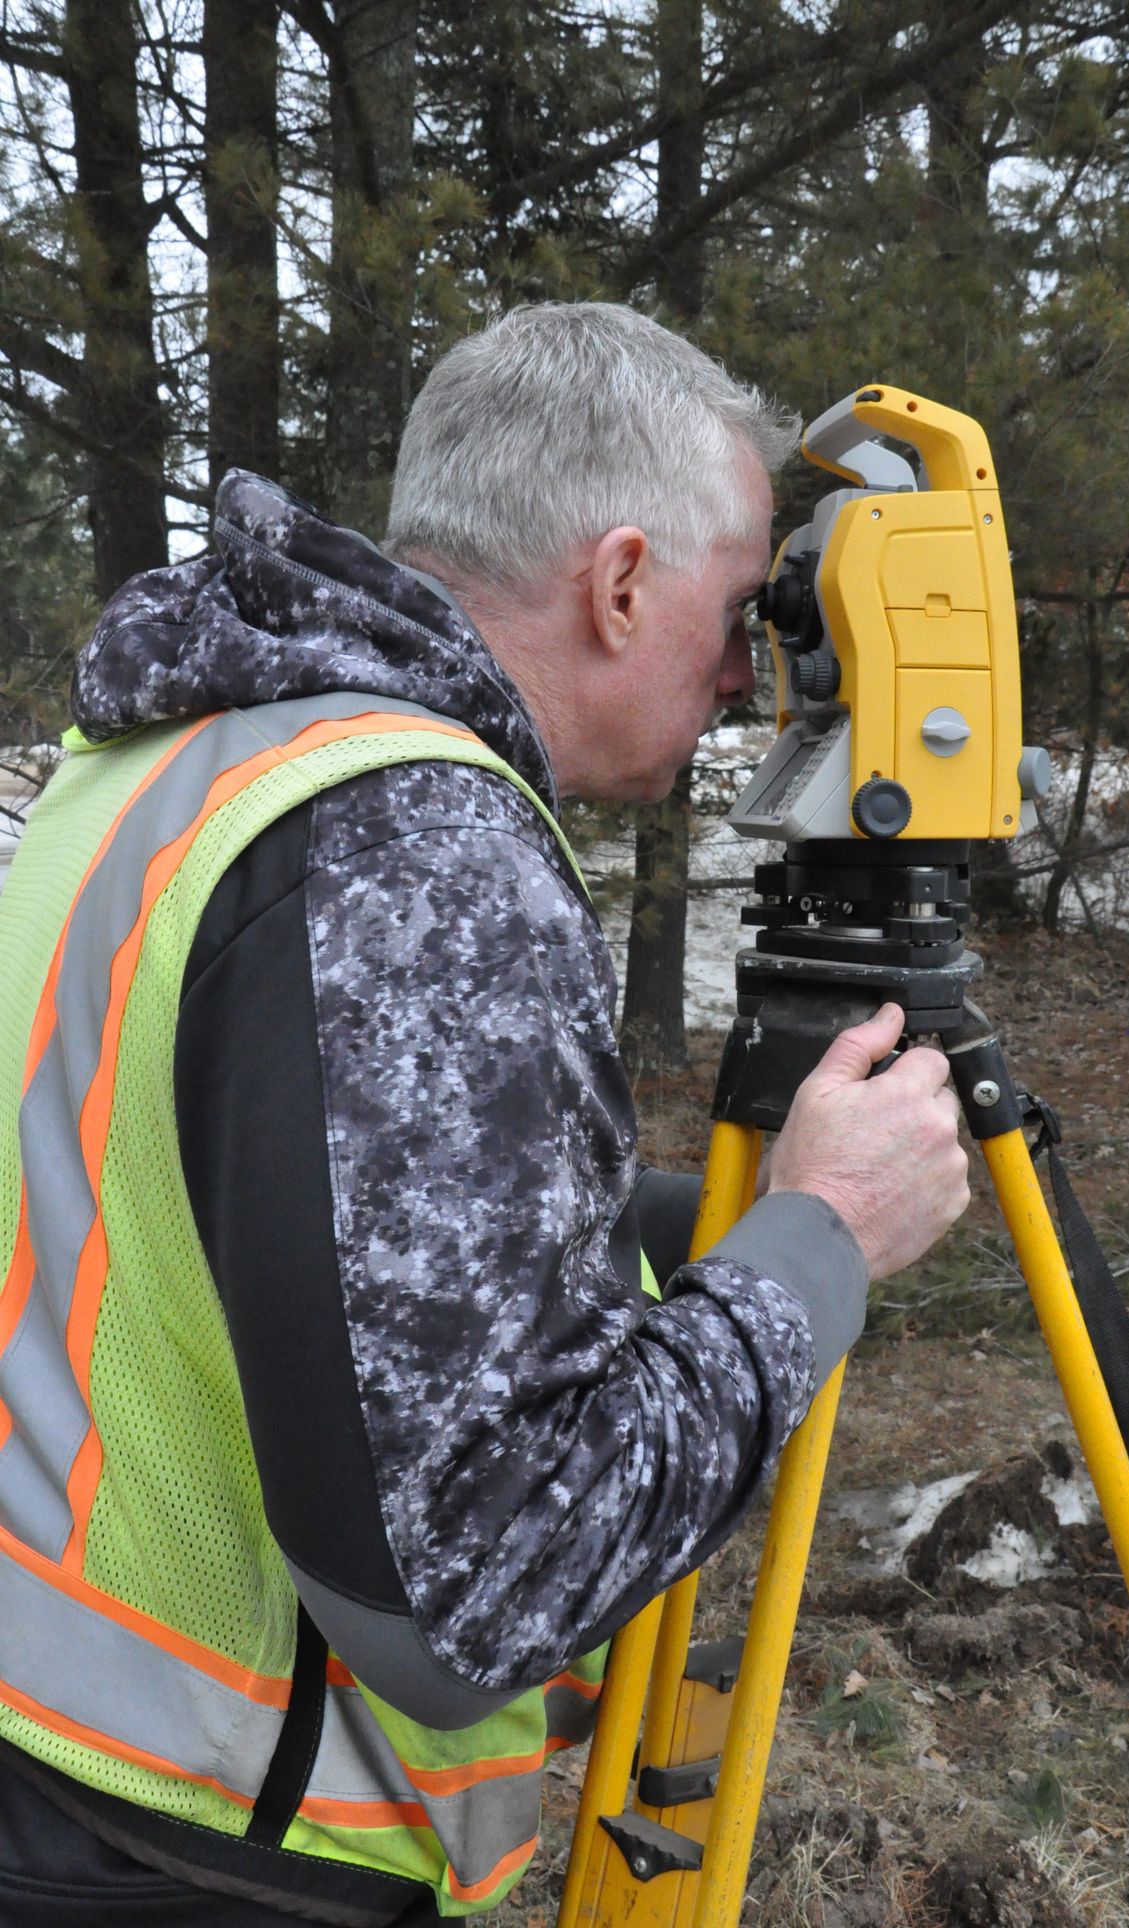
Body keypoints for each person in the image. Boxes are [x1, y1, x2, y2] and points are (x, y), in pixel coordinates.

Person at [0, 303, 969, 1926]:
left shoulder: (188, 752)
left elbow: (231, 1195)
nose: (750, 670)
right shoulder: (415, 845)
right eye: (740, 610)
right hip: (212, 1842)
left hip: (60, 1747)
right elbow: (474, 1589)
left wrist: (672, 1217)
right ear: (619, 580)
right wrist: (821, 1245)